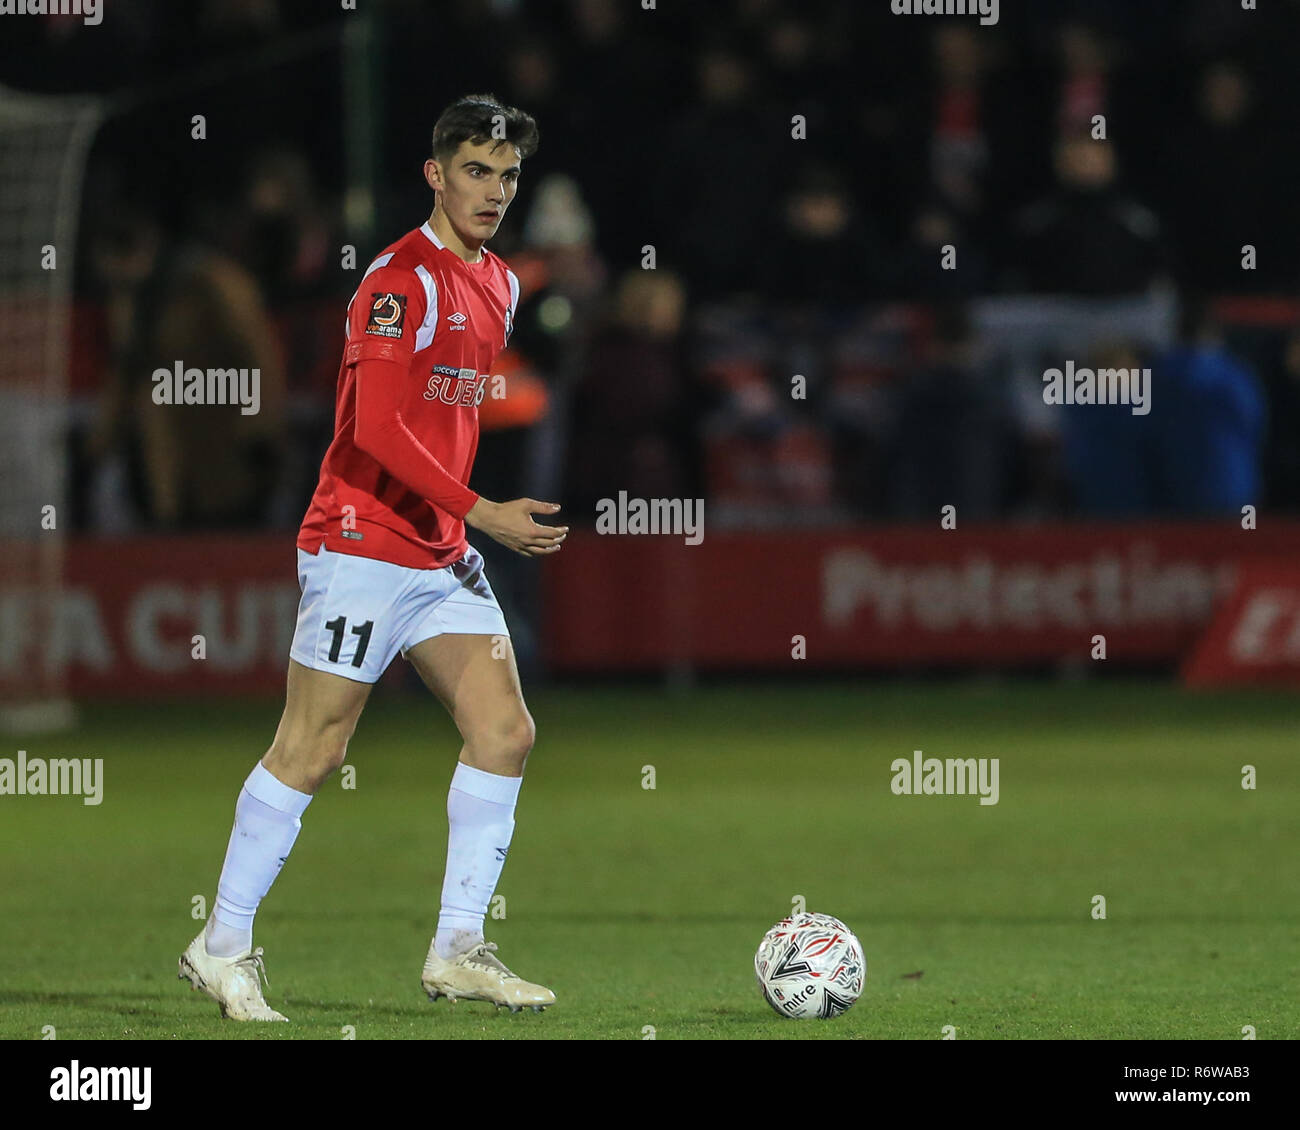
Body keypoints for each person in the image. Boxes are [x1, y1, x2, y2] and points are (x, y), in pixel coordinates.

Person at [179, 94, 565, 1020]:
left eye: (507, 175)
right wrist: (485, 512)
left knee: (505, 733)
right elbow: (379, 427)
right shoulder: (399, 281)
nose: (493, 191)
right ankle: (221, 944)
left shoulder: (502, 285)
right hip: (361, 542)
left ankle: (458, 949)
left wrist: (465, 519)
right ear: (435, 174)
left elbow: (451, 411)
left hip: (436, 550)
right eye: (475, 170)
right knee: (314, 748)